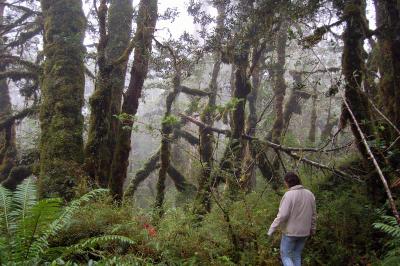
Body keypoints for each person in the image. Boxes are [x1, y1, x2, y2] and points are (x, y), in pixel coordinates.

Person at [267, 172, 316, 266]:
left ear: (287, 182)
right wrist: (313, 229)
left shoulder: (289, 195)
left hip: (291, 232)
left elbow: (282, 215)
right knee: (296, 255)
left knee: (285, 255)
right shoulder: (309, 194)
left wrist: (271, 229)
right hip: (305, 232)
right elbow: (313, 215)